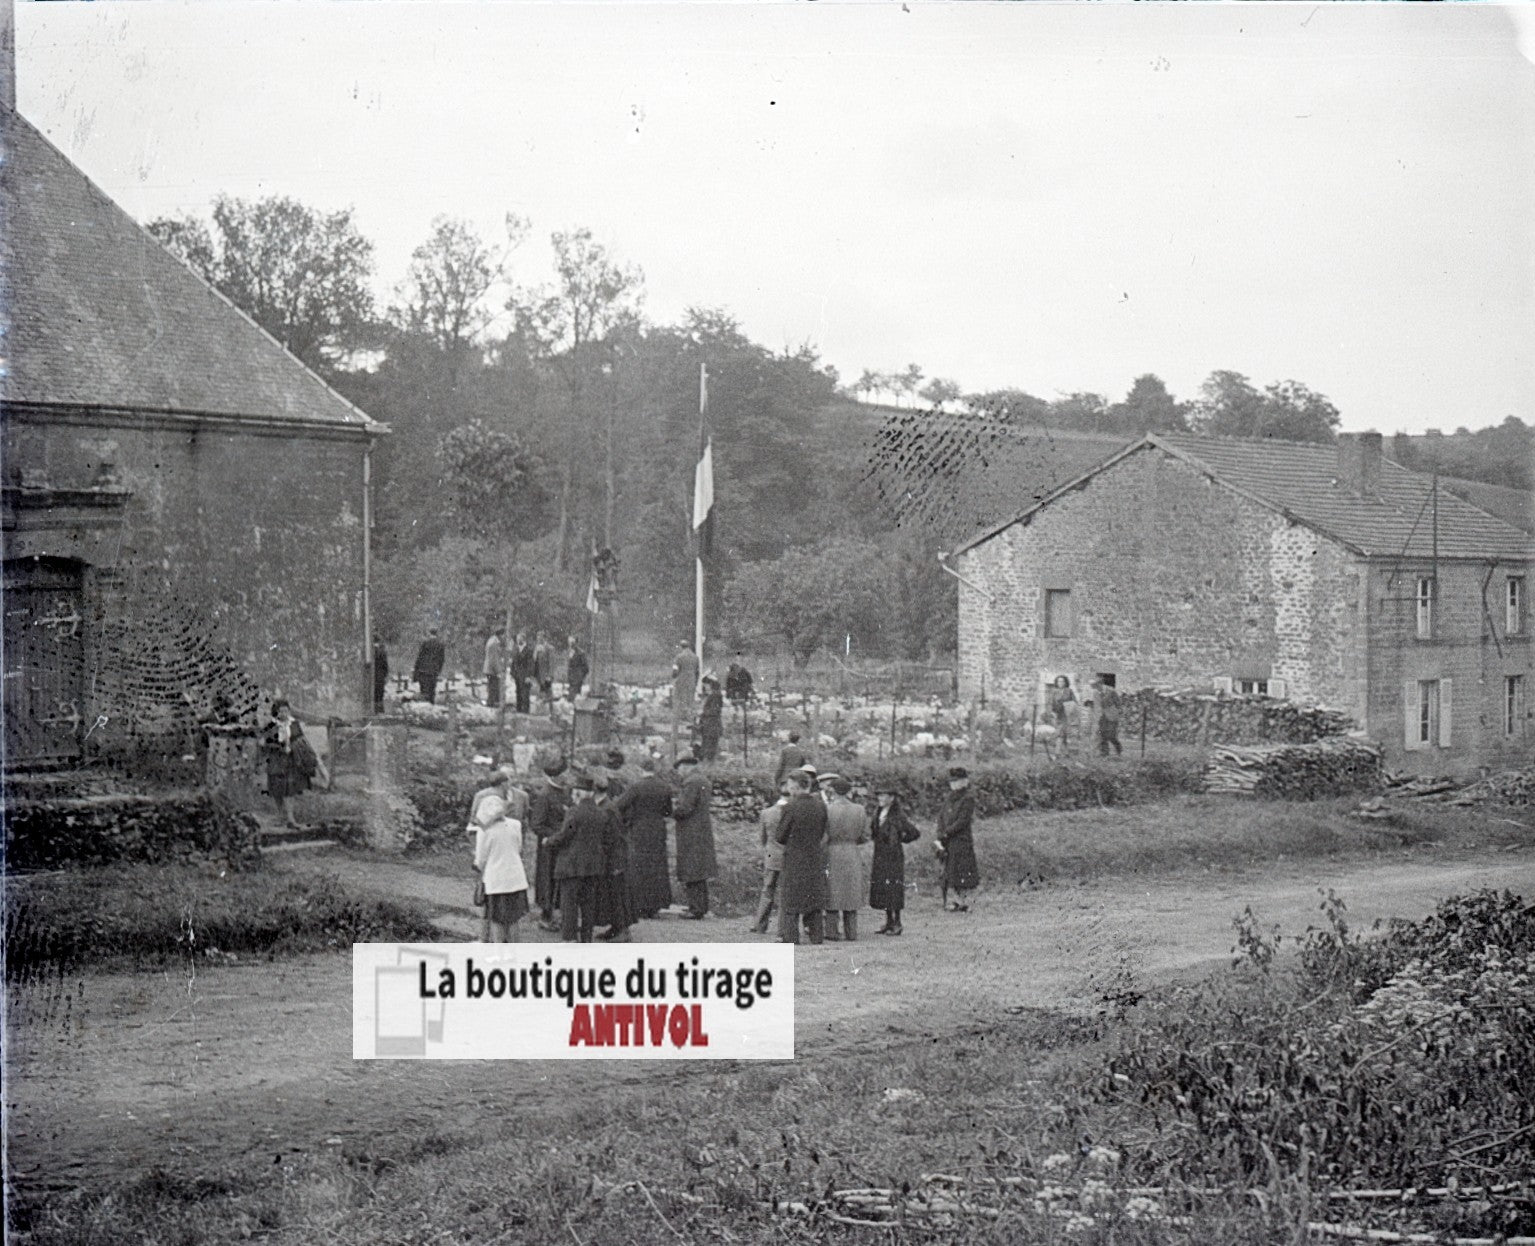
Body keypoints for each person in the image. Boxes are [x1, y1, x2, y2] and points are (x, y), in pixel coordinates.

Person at [545, 772, 619, 943]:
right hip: (593, 867)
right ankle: (586, 938)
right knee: (588, 906)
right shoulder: (602, 813)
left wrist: (548, 841)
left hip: (571, 866)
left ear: (577, 793)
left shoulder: (573, 812)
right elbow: (607, 840)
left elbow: (564, 835)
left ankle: (569, 938)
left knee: (569, 904)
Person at [471, 769, 530, 943]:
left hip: (496, 879)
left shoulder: (485, 832)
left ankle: (498, 952)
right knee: (513, 919)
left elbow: (481, 858)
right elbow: (518, 848)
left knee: (496, 919)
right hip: (516, 877)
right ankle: (513, 951)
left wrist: (478, 867)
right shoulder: (515, 825)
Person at [612, 758, 673, 919]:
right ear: (655, 769)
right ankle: (655, 904)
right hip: (658, 830)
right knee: (657, 866)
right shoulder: (664, 787)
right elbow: (668, 811)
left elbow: (619, 805)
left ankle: (640, 904)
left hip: (639, 829)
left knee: (639, 866)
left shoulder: (636, 787)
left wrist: (629, 816)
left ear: (641, 770)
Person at [774, 770, 829, 945]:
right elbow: (822, 831)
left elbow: (780, 836)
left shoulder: (790, 806)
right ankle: (816, 936)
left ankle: (791, 937)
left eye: (790, 786)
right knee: (813, 897)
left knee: (791, 899)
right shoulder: (820, 805)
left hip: (794, 857)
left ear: (796, 787)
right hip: (814, 856)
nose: (789, 790)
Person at [822, 776, 870, 941]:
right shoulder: (859, 810)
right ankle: (851, 931)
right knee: (851, 891)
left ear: (833, 791)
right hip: (852, 851)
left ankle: (832, 931)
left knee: (832, 890)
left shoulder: (827, 809)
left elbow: (823, 835)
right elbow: (865, 836)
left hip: (832, 851)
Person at [869, 783, 919, 936]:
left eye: (884, 795)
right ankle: (888, 921)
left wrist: (901, 840)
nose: (880, 798)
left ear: (892, 798)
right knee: (883, 888)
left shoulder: (898, 815)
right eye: (879, 795)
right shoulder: (878, 812)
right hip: (880, 855)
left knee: (894, 889)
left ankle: (897, 922)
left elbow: (914, 832)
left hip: (893, 856)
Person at [671, 753, 717, 919]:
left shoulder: (691, 782)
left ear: (684, 766)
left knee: (691, 869)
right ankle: (700, 906)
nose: (679, 773)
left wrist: (672, 810)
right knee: (699, 870)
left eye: (679, 769)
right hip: (702, 829)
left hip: (690, 831)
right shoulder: (703, 780)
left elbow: (684, 808)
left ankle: (695, 908)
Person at [528, 757, 570, 931]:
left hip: (562, 845)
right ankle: (546, 917)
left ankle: (558, 914)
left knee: (560, 879)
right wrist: (555, 835)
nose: (568, 776)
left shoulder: (564, 793)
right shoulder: (545, 795)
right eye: (565, 773)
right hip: (549, 848)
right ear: (557, 776)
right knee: (547, 880)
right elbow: (536, 824)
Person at [593, 775, 635, 942]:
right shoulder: (605, 806)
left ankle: (623, 930)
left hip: (614, 857)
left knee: (617, 893)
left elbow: (616, 836)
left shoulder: (607, 808)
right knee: (610, 893)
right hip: (610, 856)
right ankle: (616, 927)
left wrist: (617, 860)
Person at [262, 699, 316, 829]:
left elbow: (301, 739)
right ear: (276, 712)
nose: (284, 713)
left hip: (292, 761)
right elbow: (264, 744)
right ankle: (281, 816)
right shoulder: (271, 726)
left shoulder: (294, 724)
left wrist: (293, 746)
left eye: (286, 710)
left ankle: (291, 819)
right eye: (281, 711)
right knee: (277, 790)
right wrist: (280, 747)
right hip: (276, 761)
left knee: (289, 790)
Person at [936, 765, 979, 912]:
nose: (954, 784)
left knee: (963, 870)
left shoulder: (968, 798)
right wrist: (940, 833)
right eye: (952, 781)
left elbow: (962, 821)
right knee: (951, 871)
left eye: (958, 781)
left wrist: (947, 832)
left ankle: (965, 901)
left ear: (965, 781)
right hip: (948, 840)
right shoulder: (949, 799)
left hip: (961, 839)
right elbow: (941, 817)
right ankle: (957, 900)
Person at [751, 782, 790, 934]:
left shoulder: (767, 813)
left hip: (771, 854)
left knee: (767, 889)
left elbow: (762, 838)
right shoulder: (792, 811)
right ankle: (783, 927)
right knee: (784, 892)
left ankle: (759, 924)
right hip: (788, 856)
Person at [1091, 675, 1124, 757]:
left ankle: (1118, 748)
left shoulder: (1111, 691)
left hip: (1112, 715)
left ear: (1101, 684)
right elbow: (1097, 705)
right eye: (1095, 686)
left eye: (1097, 685)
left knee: (1111, 735)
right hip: (1102, 715)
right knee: (1102, 734)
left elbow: (1118, 703)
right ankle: (1104, 753)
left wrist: (1117, 712)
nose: (1096, 687)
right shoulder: (1095, 693)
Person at [412, 629, 445, 704]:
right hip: (434, 670)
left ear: (429, 634)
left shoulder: (425, 643)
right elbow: (442, 659)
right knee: (432, 688)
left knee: (424, 688)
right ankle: (431, 703)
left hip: (423, 670)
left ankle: (424, 704)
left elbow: (420, 657)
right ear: (436, 634)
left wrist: (416, 668)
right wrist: (439, 669)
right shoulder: (440, 644)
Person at [672, 641, 699, 724]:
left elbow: (675, 671)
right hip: (692, 680)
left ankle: (683, 717)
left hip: (681, 680)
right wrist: (696, 681)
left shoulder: (678, 657)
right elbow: (697, 671)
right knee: (690, 699)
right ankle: (691, 717)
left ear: (681, 647)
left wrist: (674, 677)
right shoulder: (695, 657)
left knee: (681, 699)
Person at [698, 675, 724, 762]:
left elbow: (714, 711)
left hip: (712, 725)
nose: (705, 687)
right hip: (708, 725)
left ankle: (709, 767)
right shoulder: (712, 695)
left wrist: (703, 713)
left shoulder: (716, 696)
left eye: (706, 684)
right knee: (707, 747)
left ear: (711, 684)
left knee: (710, 748)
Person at [1048, 675, 1076, 753]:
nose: (1061, 683)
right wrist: (1052, 713)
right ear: (1056, 682)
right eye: (1059, 681)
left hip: (1066, 715)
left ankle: (1056, 752)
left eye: (1062, 681)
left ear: (1065, 682)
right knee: (1063, 734)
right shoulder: (1054, 691)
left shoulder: (1069, 691)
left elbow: (1074, 702)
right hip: (1057, 715)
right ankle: (1066, 752)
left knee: (1060, 733)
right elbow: (1051, 703)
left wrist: (1068, 706)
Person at [510, 632, 535, 714]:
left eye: (519, 639)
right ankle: (519, 710)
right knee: (518, 692)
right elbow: (513, 662)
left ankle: (525, 711)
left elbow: (530, 664)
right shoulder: (516, 649)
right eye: (517, 639)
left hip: (525, 675)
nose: (518, 640)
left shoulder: (529, 650)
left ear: (523, 639)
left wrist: (529, 676)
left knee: (525, 694)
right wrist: (512, 672)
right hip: (517, 674)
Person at [483, 629, 505, 708]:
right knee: (493, 686)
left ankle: (492, 702)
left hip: (489, 668)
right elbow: (494, 659)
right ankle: (491, 703)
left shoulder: (491, 640)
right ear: (500, 634)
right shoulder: (494, 643)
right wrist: (498, 671)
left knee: (492, 686)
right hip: (491, 669)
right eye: (503, 635)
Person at [533, 632, 555, 711]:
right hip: (538, 675)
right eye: (537, 636)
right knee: (540, 692)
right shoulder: (537, 648)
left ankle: (551, 711)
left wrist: (550, 675)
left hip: (546, 675)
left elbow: (551, 663)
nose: (538, 638)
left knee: (548, 693)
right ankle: (540, 710)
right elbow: (534, 661)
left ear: (544, 638)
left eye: (540, 637)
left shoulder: (550, 648)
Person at [567, 636, 589, 700]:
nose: (570, 645)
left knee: (574, 697)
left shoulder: (581, 653)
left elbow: (586, 667)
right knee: (573, 697)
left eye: (572, 643)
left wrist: (580, 676)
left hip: (577, 679)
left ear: (576, 643)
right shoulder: (570, 652)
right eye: (570, 643)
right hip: (571, 678)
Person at [372, 640, 390, 714]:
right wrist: (385, 674)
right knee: (380, 693)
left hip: (374, 674)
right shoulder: (382, 651)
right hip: (380, 675)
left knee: (375, 693)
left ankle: (375, 708)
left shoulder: (371, 651)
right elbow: (385, 665)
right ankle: (380, 709)